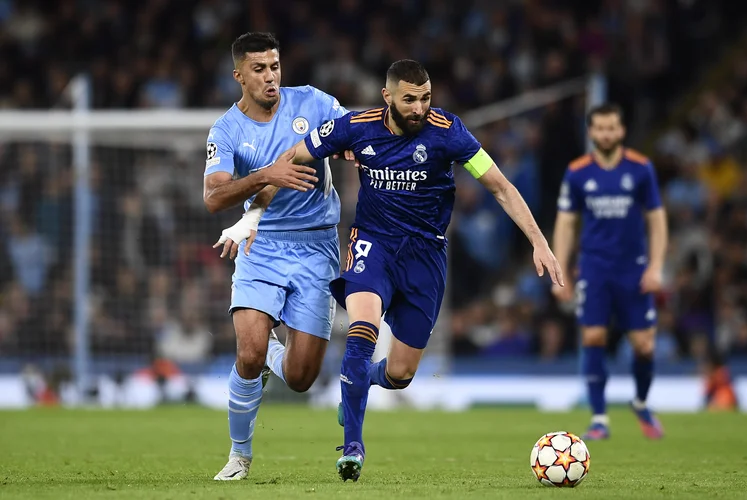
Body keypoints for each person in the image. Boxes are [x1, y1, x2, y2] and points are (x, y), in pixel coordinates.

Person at [220, 59, 563, 481]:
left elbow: (501, 187)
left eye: (425, 98)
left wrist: (539, 241)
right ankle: (353, 447)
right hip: (373, 246)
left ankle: (359, 383)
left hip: (425, 257)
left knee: (400, 374)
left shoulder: (449, 132)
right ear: (388, 97)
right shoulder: (356, 127)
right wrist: (252, 217)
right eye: (409, 99)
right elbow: (291, 157)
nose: (419, 108)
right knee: (363, 330)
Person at [202, 32, 351, 481]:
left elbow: (358, 138)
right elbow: (213, 196)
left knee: (301, 377)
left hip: (317, 244)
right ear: (239, 76)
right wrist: (267, 174)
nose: (271, 77)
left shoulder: (315, 103)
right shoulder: (226, 130)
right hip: (261, 244)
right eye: (259, 69)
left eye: (275, 67)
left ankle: (271, 355)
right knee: (247, 351)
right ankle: (239, 456)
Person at [551, 103, 668, 441]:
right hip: (595, 268)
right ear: (591, 132)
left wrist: (657, 266)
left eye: (611, 128)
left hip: (633, 269)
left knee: (645, 346)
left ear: (621, 131)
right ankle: (599, 418)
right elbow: (566, 223)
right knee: (593, 337)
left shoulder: (641, 169)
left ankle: (641, 402)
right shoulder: (577, 172)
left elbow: (657, 220)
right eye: (599, 128)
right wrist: (561, 270)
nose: (606, 134)